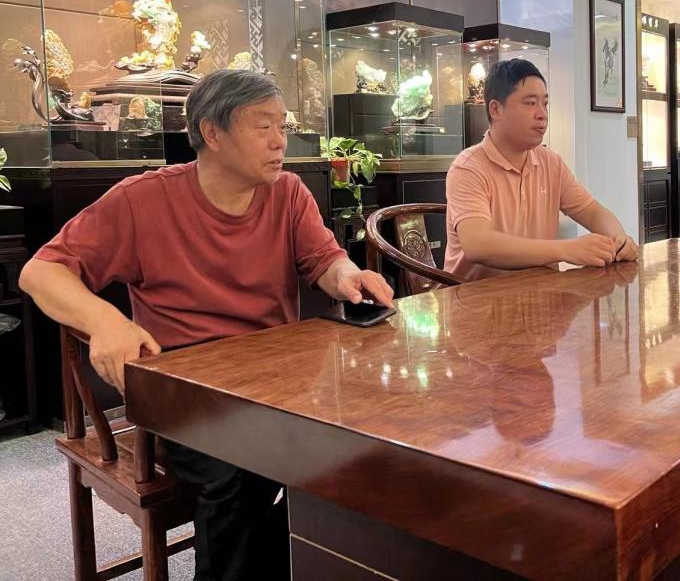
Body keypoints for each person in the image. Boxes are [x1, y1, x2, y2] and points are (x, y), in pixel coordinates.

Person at [20, 70, 393, 581]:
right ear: (211, 132)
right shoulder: (141, 200)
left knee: (361, 446)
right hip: (184, 391)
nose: (280, 141)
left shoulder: (287, 192)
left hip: (276, 382)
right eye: (263, 126)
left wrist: (349, 277)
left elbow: (323, 259)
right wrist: (106, 321)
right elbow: (40, 271)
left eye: (282, 125)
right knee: (238, 470)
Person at [444, 58, 638, 281]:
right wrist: (567, 249)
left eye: (545, 104)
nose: (542, 114)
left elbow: (592, 212)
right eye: (530, 103)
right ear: (495, 109)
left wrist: (618, 239)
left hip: (541, 292)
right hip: (475, 296)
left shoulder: (550, 162)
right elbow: (478, 245)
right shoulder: (468, 168)